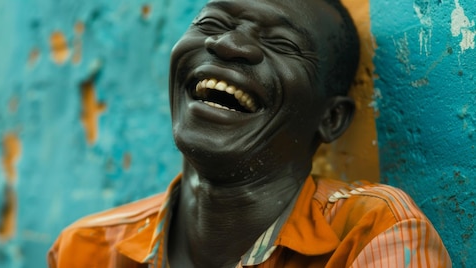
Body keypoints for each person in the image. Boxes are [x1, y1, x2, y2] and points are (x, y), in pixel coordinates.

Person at [47, 0, 451, 267]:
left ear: (331, 119)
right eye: (212, 23)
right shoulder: (87, 249)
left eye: (282, 43)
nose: (228, 44)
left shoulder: (369, 232)